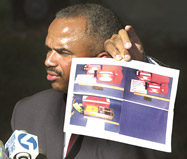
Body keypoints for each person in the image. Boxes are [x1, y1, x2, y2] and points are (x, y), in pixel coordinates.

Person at [2, 3, 176, 159]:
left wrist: (141, 70)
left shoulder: (131, 116)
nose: (48, 61)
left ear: (100, 60)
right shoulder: (28, 110)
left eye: (63, 52)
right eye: (49, 49)